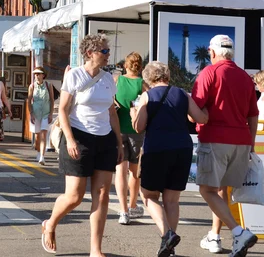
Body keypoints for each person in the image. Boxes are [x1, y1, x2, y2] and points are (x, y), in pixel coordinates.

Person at [41, 34, 123, 256]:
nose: (108, 55)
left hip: (105, 139)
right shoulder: (75, 76)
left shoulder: (108, 79)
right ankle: (50, 224)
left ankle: (96, 249)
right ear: (90, 53)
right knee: (75, 197)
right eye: (104, 51)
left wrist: (119, 140)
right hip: (79, 136)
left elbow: (111, 111)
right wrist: (69, 139)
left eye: (107, 51)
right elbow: (64, 110)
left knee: (103, 194)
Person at [131, 61, 208, 257]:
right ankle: (169, 248)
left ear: (148, 78)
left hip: (157, 149)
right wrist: (208, 109)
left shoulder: (147, 96)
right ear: (167, 75)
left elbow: (139, 127)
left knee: (148, 196)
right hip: (182, 148)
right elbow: (200, 118)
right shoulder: (182, 93)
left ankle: (167, 235)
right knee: (172, 200)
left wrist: (134, 113)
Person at [191, 35, 259, 256]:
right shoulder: (245, 78)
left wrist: (197, 115)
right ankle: (215, 236)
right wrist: (249, 144)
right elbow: (252, 115)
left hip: (215, 139)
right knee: (222, 190)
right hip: (240, 142)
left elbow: (195, 113)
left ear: (212, 53)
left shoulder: (209, 73)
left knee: (207, 189)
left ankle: (238, 232)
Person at [114, 52, 149, 225]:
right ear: (140, 67)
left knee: (120, 170)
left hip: (118, 129)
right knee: (134, 172)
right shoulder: (142, 84)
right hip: (137, 131)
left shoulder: (116, 80)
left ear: (125, 65)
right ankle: (133, 205)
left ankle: (123, 211)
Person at [27, 66, 54, 165]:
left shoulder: (48, 85)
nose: (36, 76)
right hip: (36, 113)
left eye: (38, 74)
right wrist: (31, 113)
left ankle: (42, 156)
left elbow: (51, 99)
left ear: (43, 75)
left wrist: (51, 113)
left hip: (46, 113)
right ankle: (38, 152)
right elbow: (29, 100)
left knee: (43, 134)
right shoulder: (32, 86)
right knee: (38, 135)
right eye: (35, 74)